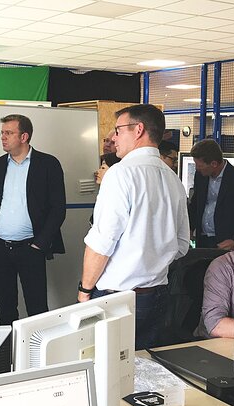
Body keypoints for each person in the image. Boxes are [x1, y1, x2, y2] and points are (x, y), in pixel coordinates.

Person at [78, 104, 190, 350]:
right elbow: (182, 244)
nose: (113, 139)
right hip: (157, 294)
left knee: (106, 365)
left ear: (138, 130)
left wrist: (84, 290)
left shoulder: (120, 174)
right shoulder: (173, 178)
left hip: (116, 298)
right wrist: (153, 260)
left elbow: (101, 244)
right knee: (144, 364)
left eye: (118, 130)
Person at [0, 114, 66, 325]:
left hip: (31, 248)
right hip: (0, 250)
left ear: (24, 136)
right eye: (2, 133)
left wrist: (39, 244)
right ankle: (9, 347)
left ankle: (37, 347)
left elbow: (58, 209)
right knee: (5, 310)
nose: (3, 137)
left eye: (9, 133)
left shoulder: (48, 164)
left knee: (37, 309)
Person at [188, 139, 234, 249]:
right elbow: (195, 204)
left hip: (226, 243)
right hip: (202, 240)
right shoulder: (200, 176)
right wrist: (189, 228)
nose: (197, 168)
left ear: (214, 164)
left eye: (199, 165)